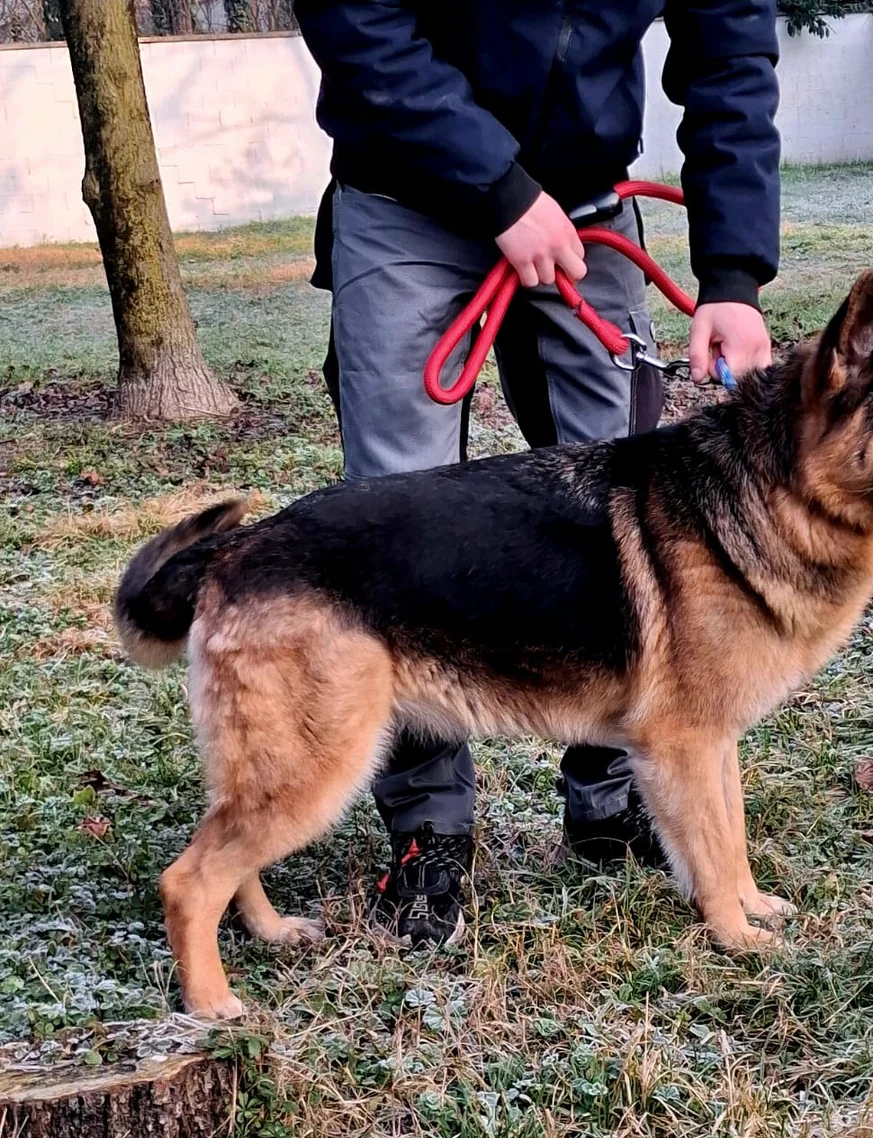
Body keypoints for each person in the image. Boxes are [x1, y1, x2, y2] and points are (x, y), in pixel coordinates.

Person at [294, 0, 781, 949]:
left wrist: (733, 275)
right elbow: (357, 21)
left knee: (627, 501)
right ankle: (429, 832)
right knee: (402, 519)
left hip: (587, 204)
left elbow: (731, 57)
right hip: (406, 191)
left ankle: (610, 791)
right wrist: (498, 188)